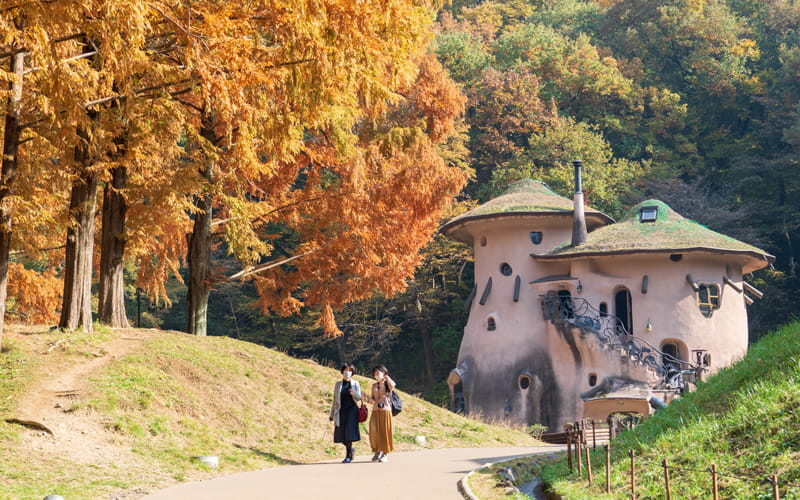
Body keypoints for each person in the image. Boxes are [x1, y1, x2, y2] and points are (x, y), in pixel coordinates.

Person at [329, 363, 362, 463]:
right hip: (340, 411)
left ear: (353, 372)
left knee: (349, 434)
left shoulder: (355, 383)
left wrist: (354, 393)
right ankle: (351, 449)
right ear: (342, 371)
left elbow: (359, 398)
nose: (347, 372)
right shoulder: (338, 384)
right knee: (340, 434)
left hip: (352, 411)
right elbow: (335, 400)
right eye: (345, 370)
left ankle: (348, 455)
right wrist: (332, 414)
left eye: (350, 371)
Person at [367, 364, 395, 463]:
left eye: (378, 373)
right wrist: (370, 400)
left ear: (383, 373)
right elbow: (372, 397)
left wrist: (387, 379)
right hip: (375, 411)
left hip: (386, 410)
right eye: (375, 373)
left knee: (385, 432)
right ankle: (377, 451)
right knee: (374, 432)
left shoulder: (387, 384)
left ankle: (385, 452)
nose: (377, 375)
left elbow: (393, 387)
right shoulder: (374, 385)